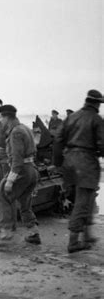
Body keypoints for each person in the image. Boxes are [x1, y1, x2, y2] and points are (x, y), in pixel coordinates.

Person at [53, 89, 104, 253]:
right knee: (84, 201)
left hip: (69, 162)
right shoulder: (96, 119)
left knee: (82, 199)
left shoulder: (71, 117)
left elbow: (58, 140)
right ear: (97, 104)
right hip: (86, 163)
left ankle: (87, 235)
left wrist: (58, 163)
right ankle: (74, 242)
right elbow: (103, 144)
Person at [0, 104, 41, 247]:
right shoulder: (24, 128)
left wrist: (10, 180)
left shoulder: (15, 133)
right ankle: (33, 232)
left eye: (0, 117)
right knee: (25, 203)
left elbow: (17, 160)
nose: (0, 120)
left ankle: (6, 234)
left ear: (6, 117)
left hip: (22, 170)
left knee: (1, 198)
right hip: (32, 170)